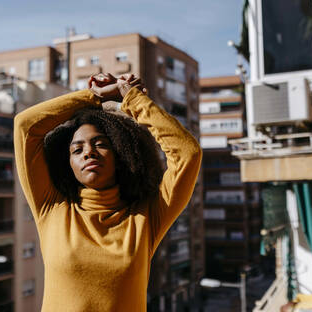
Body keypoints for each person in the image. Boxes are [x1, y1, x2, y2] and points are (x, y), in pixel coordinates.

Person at [14, 73, 202, 312]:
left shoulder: (147, 217)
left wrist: (132, 100)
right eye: (77, 149)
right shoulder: (51, 208)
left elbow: (188, 153)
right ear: (67, 163)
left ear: (120, 155)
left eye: (100, 144)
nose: (88, 153)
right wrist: (94, 97)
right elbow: (25, 126)